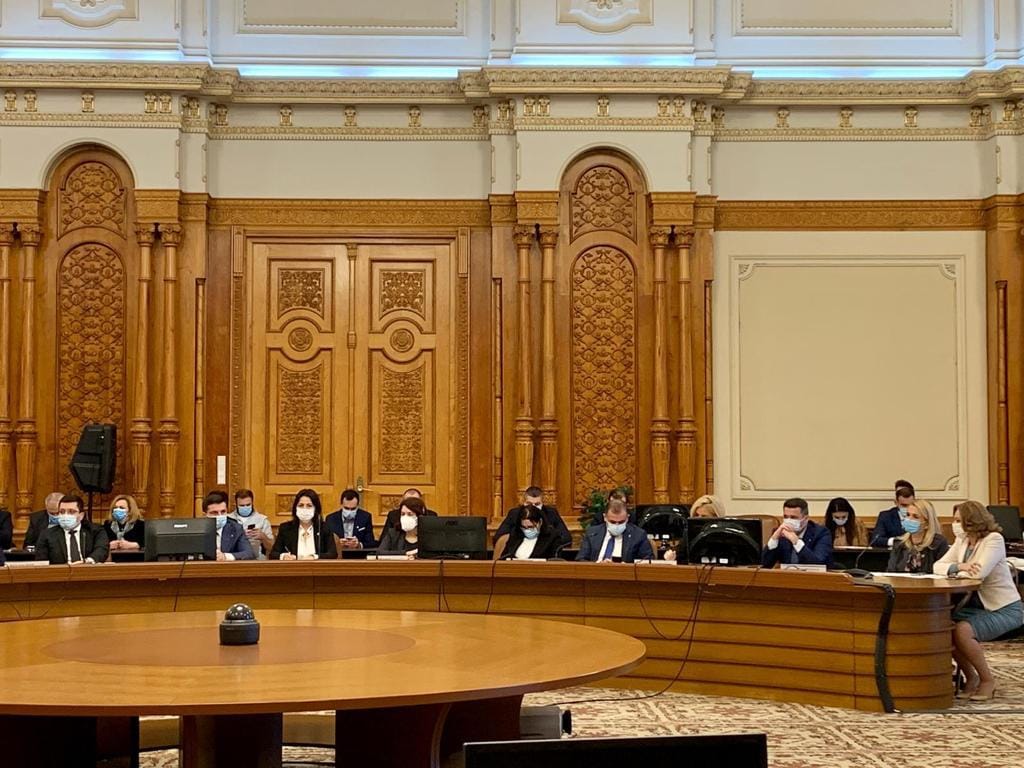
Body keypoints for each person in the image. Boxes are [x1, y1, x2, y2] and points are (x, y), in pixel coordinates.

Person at [933, 500, 1023, 701]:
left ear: (972, 520)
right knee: (944, 627)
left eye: (959, 520)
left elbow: (979, 573)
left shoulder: (994, 540)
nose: (955, 525)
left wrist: (958, 570)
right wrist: (960, 567)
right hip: (977, 607)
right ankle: (971, 677)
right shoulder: (963, 541)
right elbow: (937, 566)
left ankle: (987, 680)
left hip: (1004, 608)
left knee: (962, 630)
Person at [35, 494, 109, 564]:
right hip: (60, 572)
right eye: (62, 512)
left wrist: (87, 562)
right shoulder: (47, 535)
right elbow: (41, 561)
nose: (65, 515)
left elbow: (101, 550)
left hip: (88, 570)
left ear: (81, 515)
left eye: (71, 512)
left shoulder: (95, 531)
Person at [493, 486, 571, 551]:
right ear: (524, 502)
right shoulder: (515, 513)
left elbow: (566, 538)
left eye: (537, 504)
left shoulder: (551, 513)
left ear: (542, 503)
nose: (533, 508)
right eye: (529, 504)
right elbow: (499, 537)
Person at [762, 497, 832, 568]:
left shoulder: (821, 533)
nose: (788, 521)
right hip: (787, 574)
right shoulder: (781, 533)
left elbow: (818, 564)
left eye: (793, 517)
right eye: (786, 517)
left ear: (806, 519)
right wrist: (774, 539)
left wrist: (796, 542)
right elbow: (765, 565)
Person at [577, 499, 653, 563]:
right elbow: (580, 559)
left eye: (621, 522)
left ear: (627, 518)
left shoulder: (638, 535)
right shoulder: (592, 533)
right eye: (612, 522)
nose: (617, 525)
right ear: (605, 517)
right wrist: (598, 566)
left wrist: (627, 568)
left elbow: (648, 561)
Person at [270, 489, 337, 560]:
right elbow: (273, 554)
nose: (305, 509)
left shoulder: (324, 528)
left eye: (309, 506)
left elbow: (332, 554)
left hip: (317, 566)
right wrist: (284, 556)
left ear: (316, 509)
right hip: (293, 566)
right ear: (295, 508)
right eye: (301, 505)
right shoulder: (286, 528)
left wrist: (314, 557)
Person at [886, 500, 949, 573]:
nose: (909, 519)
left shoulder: (938, 543)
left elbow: (942, 570)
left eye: (915, 517)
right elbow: (890, 572)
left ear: (927, 523)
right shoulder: (899, 543)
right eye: (908, 515)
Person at [663, 494, 725, 562]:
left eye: (704, 516)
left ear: (716, 517)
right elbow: (680, 553)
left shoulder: (724, 536)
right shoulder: (689, 533)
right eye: (696, 515)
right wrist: (672, 555)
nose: (699, 519)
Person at [202, 490, 255, 561]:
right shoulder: (196, 529)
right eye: (214, 513)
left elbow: (249, 553)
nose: (220, 516)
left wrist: (225, 557)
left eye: (223, 512)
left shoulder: (236, 528)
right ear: (205, 515)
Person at [229, 488, 274, 559]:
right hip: (234, 558)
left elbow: (272, 547)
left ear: (252, 503)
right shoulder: (228, 519)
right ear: (236, 505)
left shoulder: (262, 520)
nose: (245, 507)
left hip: (256, 559)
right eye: (242, 505)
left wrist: (263, 537)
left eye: (248, 505)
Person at [870, 480, 915, 547]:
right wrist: (896, 541)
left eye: (910, 505)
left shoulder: (920, 516)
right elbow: (876, 540)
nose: (907, 508)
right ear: (896, 502)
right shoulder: (886, 516)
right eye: (904, 505)